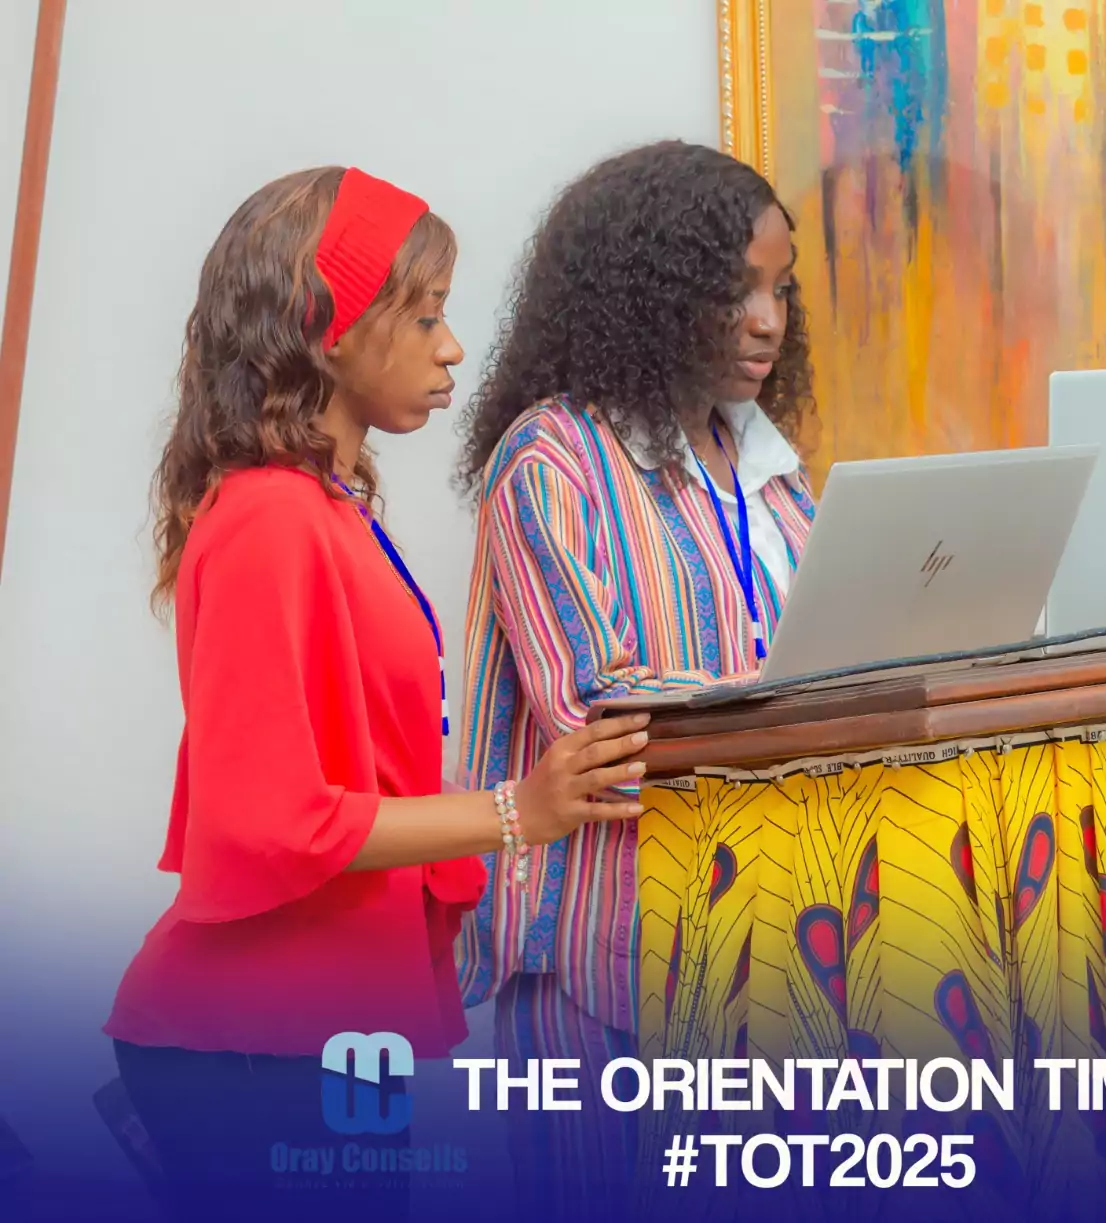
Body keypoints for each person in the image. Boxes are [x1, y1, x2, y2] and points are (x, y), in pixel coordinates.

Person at [103, 166, 651, 1223]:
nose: (454, 348)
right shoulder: (271, 519)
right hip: (253, 1038)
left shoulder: (328, 507)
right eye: (427, 316)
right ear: (331, 329)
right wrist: (515, 811)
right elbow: (272, 817)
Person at [452, 140, 816, 1215]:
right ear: (649, 292)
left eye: (781, 289)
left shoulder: (768, 467)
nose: (767, 320)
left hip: (770, 947)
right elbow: (601, 718)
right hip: (610, 966)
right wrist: (812, 708)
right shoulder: (550, 460)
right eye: (735, 290)